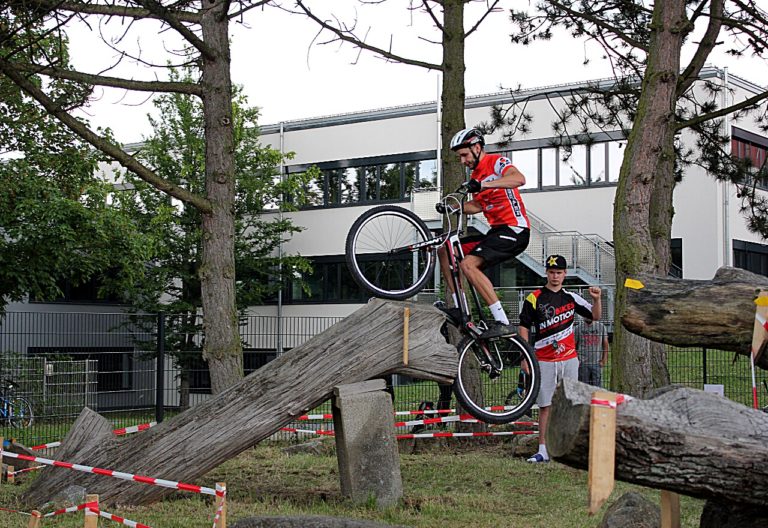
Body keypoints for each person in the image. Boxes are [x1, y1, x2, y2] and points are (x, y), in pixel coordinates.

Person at [435, 127, 530, 339]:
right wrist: (453, 207)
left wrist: (484, 183)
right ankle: (460, 308)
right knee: (445, 249)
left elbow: (519, 179)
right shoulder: (476, 176)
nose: (462, 161)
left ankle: (502, 321)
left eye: (464, 155)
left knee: (468, 264)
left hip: (515, 230)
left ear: (477, 148)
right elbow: (477, 205)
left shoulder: (496, 162)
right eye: (460, 157)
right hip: (496, 232)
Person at [518, 255, 602, 463]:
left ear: (565, 274)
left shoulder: (571, 297)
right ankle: (543, 450)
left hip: (569, 359)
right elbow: (523, 326)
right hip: (544, 359)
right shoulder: (534, 297)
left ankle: (568, 448)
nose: (555, 276)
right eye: (552, 272)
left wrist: (597, 299)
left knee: (570, 403)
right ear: (546, 273)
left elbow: (596, 316)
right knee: (545, 405)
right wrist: (525, 355)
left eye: (559, 272)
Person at [574, 316, 609, 388]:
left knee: (597, 389)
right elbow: (574, 345)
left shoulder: (601, 327)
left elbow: (605, 344)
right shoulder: (578, 328)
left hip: (596, 363)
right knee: (583, 388)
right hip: (583, 363)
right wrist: (577, 360)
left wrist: (604, 359)